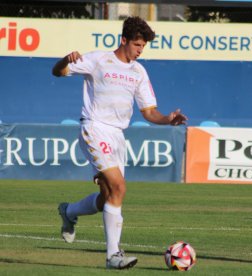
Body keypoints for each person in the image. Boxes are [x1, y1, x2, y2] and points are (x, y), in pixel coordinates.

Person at [52, 16, 187, 269]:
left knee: (108, 197)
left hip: (117, 136)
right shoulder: (99, 60)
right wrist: (65, 60)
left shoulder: (138, 72)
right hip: (94, 128)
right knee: (119, 187)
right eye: (137, 45)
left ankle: (69, 211)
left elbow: (148, 112)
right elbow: (57, 72)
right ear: (124, 39)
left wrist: (168, 119)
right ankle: (113, 256)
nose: (139, 51)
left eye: (143, 47)